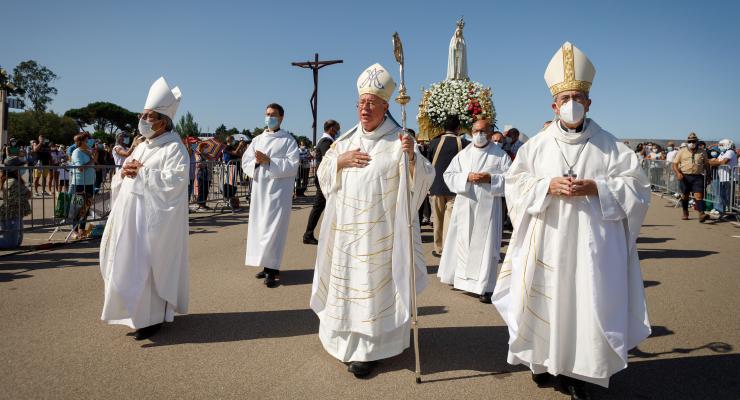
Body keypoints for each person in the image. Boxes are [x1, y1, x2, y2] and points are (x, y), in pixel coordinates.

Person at [492, 42, 651, 399]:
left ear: (590, 103)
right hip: (547, 238)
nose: (571, 103)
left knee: (586, 301)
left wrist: (598, 188)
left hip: (593, 246)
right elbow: (514, 185)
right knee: (544, 299)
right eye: (564, 98)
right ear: (553, 105)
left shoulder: (612, 147)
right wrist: (546, 186)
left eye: (577, 97)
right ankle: (542, 361)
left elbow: (639, 190)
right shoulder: (535, 147)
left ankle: (581, 372)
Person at [310, 63, 435, 379]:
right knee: (347, 288)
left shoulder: (399, 141)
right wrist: (339, 161)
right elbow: (323, 175)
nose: (365, 108)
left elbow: (422, 180)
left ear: (385, 106)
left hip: (380, 236)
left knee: (371, 290)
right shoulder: (344, 142)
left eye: (371, 103)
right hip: (346, 236)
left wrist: (411, 158)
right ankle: (342, 341)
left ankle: (370, 350)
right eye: (361, 103)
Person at [99, 77, 188, 341]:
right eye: (143, 115)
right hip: (130, 217)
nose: (144, 120)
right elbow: (127, 175)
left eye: (149, 116)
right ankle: (135, 316)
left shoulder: (174, 148)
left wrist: (143, 173)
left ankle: (151, 320)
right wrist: (123, 173)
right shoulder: (142, 146)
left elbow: (176, 181)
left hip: (154, 220)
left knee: (148, 268)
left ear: (163, 121)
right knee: (128, 266)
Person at [437, 118, 511, 304]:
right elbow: (449, 175)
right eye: (476, 131)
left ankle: (484, 287)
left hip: (488, 207)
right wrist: (466, 177)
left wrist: (490, 179)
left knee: (485, 246)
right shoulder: (463, 155)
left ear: (490, 132)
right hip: (466, 204)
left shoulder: (500, 155)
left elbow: (512, 179)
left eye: (484, 131)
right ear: (471, 132)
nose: (480, 135)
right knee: (462, 242)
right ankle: (461, 280)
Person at [241, 103, 300, 288]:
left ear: (281, 117)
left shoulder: (289, 140)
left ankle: (273, 270)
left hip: (278, 193)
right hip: (260, 191)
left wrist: (270, 161)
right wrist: (257, 163)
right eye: (267, 114)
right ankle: (266, 266)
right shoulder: (257, 139)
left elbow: (293, 165)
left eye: (273, 115)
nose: (269, 117)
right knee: (260, 227)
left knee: (273, 229)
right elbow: (246, 161)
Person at [426, 115, 468, 257]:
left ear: (443, 128)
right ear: (458, 128)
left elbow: (428, 163)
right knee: (451, 220)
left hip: (436, 186)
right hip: (455, 187)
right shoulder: (464, 144)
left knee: (437, 219)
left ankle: (438, 248)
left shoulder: (433, 143)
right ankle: (449, 249)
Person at [303, 119, 340, 244]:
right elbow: (328, 158)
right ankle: (308, 234)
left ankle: (311, 234)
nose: (338, 131)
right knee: (318, 207)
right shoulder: (326, 141)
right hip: (323, 178)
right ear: (331, 129)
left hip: (324, 177)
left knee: (322, 206)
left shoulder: (327, 140)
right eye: (337, 128)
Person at [672, 132, 708, 222]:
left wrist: (709, 175)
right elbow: (674, 164)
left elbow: (707, 164)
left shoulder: (702, 152)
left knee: (698, 195)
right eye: (690, 141)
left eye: (694, 141)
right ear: (688, 142)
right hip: (685, 176)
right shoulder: (681, 151)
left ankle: (701, 214)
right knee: (685, 196)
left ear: (697, 142)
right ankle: (685, 212)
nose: (692, 143)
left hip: (697, 177)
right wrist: (677, 173)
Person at [69, 133, 97, 239]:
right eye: (86, 140)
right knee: (77, 207)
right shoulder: (76, 152)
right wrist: (91, 160)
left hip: (89, 183)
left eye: (89, 140)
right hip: (79, 184)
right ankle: (75, 230)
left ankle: (81, 229)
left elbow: (95, 165)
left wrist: (92, 156)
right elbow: (80, 168)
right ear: (80, 142)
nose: (89, 142)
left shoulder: (87, 152)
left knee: (86, 207)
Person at [0, 157, 32, 249]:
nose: (23, 168)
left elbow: (26, 193)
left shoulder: (16, 180)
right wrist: (25, 195)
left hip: (16, 213)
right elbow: (14, 199)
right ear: (14, 168)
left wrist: (25, 194)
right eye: (20, 166)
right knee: (10, 244)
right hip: (10, 215)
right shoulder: (12, 181)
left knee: (17, 243)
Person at [708, 139, 737, 218]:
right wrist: (713, 162)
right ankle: (725, 212)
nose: (720, 147)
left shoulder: (730, 151)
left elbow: (723, 162)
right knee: (723, 196)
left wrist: (712, 162)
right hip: (723, 178)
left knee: (728, 197)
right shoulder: (722, 153)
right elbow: (717, 161)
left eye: (721, 145)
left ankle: (733, 213)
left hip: (729, 178)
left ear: (727, 144)